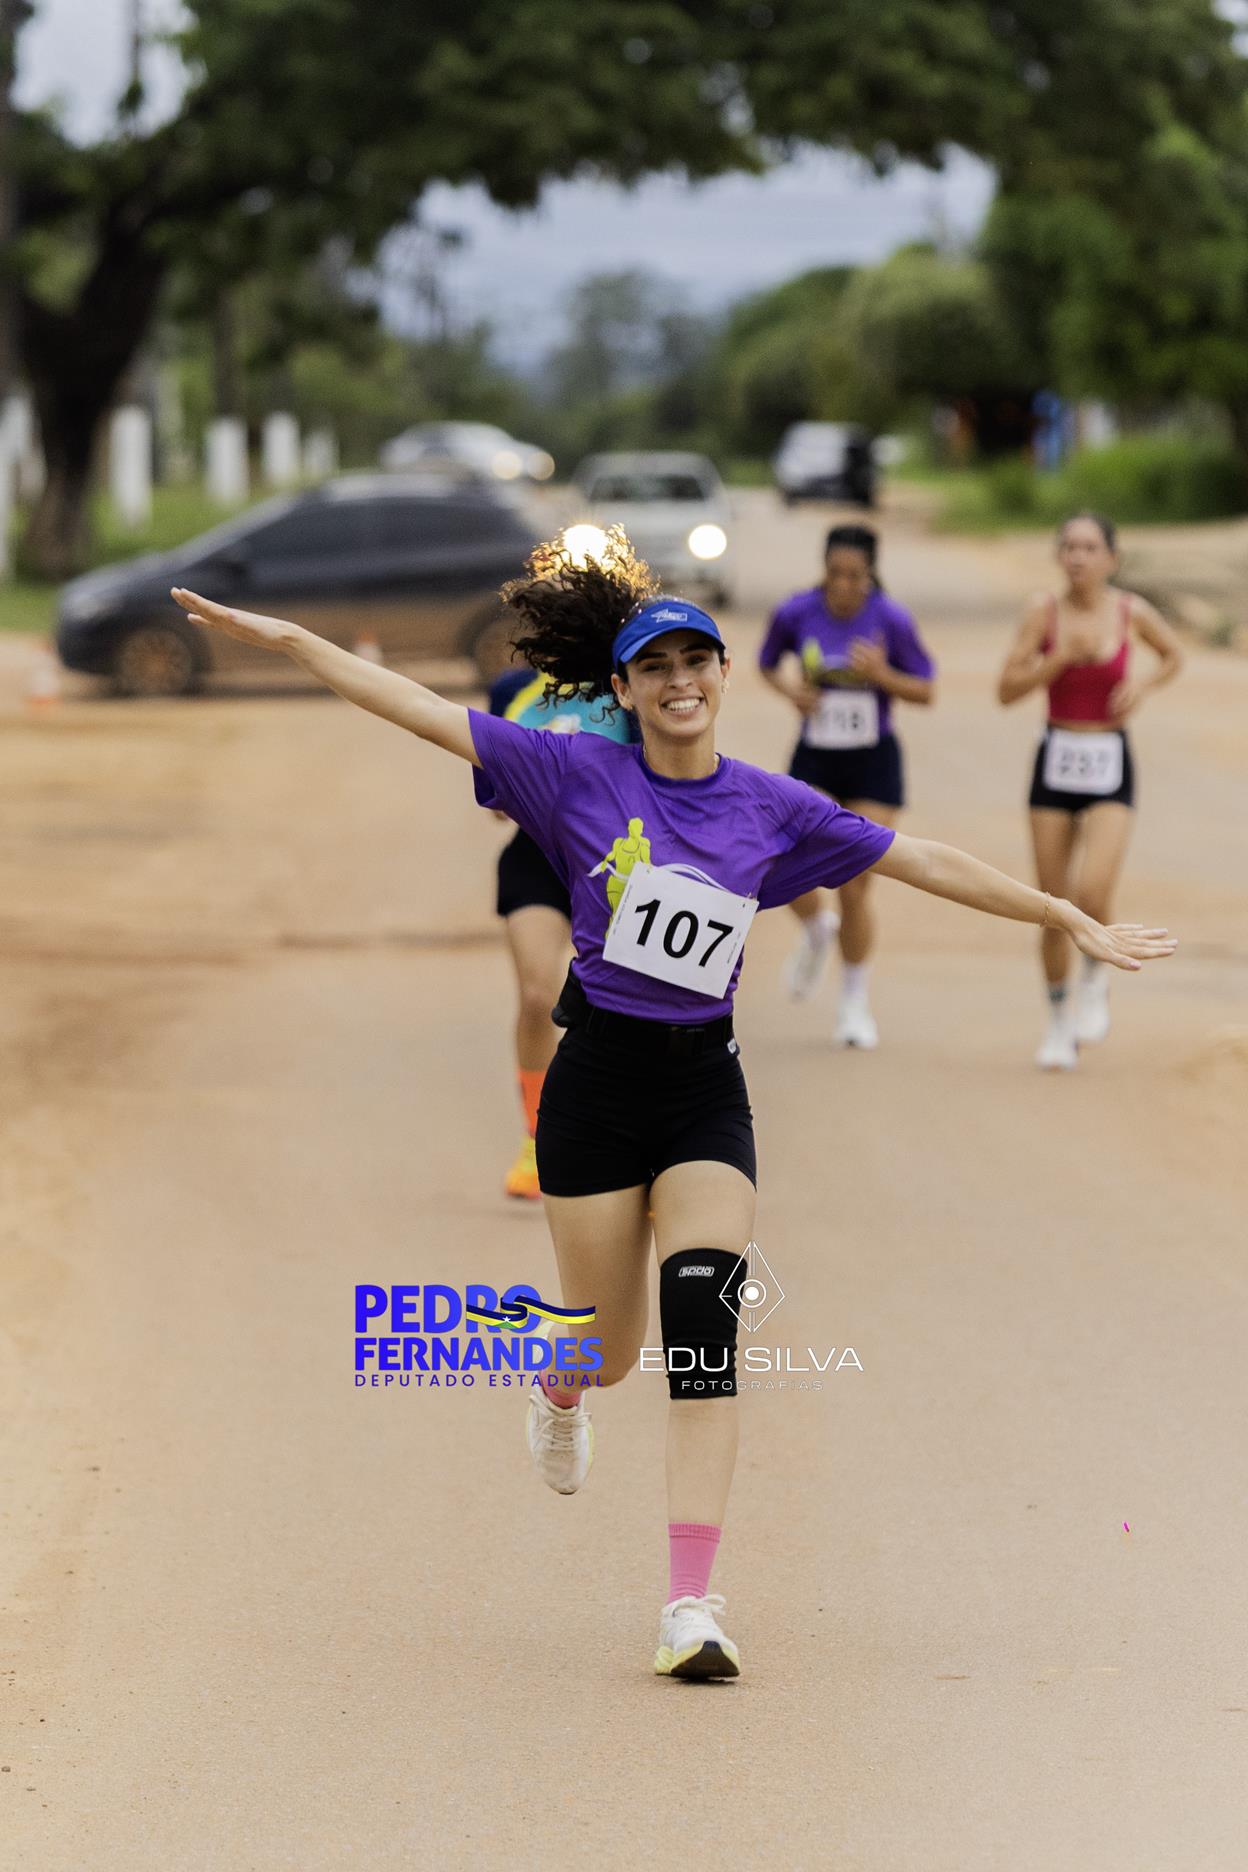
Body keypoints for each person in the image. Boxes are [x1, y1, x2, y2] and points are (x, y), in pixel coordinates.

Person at [170, 530, 1175, 1682]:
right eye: (656, 667)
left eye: (697, 660)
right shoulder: (572, 775)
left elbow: (920, 860)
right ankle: (560, 1383)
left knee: (703, 1330)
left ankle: (689, 1606)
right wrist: (290, 639)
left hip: (704, 1094)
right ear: (625, 691)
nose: (681, 680)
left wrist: (1063, 913)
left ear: (723, 676)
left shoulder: (771, 807)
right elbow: (416, 710)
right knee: (607, 1353)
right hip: (595, 1091)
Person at [997, 512, 1183, 1070]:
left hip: (1109, 762)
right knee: (1052, 904)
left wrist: (1142, 685)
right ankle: (1058, 1019)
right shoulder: (1042, 612)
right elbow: (1006, 690)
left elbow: (1174, 655)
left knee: (1094, 891)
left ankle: (1096, 978)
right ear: (1059, 556)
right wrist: (1057, 659)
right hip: (1056, 759)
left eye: (1089, 547)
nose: (1078, 556)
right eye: (1069, 547)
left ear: (1111, 559)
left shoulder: (1130, 611)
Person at [759, 524, 936, 1048]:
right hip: (816, 755)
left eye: (854, 576)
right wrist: (792, 692)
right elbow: (767, 664)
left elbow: (925, 689)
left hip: (872, 760)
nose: (842, 585)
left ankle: (854, 1000)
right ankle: (818, 930)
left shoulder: (890, 618)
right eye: (834, 573)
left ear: (870, 574)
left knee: (856, 880)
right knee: (781, 859)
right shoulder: (797, 612)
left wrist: (882, 674)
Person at [487, 659, 636, 1201]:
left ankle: (636, 1145)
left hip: (618, 860)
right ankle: (538, 1139)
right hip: (537, 859)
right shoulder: (513, 690)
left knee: (628, 1009)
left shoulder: (624, 684)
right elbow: (495, 804)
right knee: (536, 997)